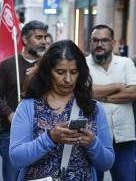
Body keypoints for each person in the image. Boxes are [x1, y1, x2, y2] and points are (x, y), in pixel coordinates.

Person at [10, 40, 114, 181]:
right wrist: (50, 138)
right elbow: (16, 159)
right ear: (48, 72)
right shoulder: (28, 106)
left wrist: (92, 144)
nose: (68, 79)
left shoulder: (93, 108)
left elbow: (106, 163)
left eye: (74, 72)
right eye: (60, 72)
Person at [0, 20, 49, 181]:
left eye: (45, 37)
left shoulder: (51, 66)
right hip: (12, 134)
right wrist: (9, 114)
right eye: (38, 37)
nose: (43, 41)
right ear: (25, 39)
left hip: (46, 134)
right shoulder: (8, 65)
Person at [86, 24, 136, 181]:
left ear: (113, 43)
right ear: (90, 42)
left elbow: (134, 92)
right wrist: (116, 86)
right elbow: (84, 92)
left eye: (104, 40)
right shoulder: (82, 64)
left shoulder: (125, 63)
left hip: (124, 137)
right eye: (95, 40)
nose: (99, 44)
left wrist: (101, 97)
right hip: (93, 138)